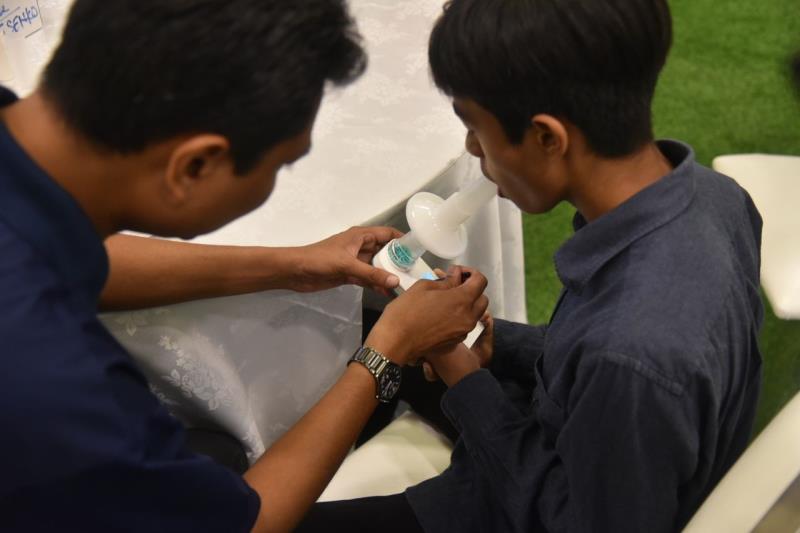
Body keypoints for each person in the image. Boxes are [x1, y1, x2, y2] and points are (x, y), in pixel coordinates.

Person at [0, 1, 489, 532]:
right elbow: (247, 523)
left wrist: (289, 265)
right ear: (195, 165)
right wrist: (385, 351)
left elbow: (70, 254)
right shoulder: (62, 390)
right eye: (280, 165)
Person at [298, 0, 764, 532]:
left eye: (475, 129)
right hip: (578, 446)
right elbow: (592, 363)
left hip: (513, 507)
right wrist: (499, 343)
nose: (472, 149)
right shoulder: (718, 197)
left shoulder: (630, 355)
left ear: (547, 137)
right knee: (367, 318)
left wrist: (466, 381)